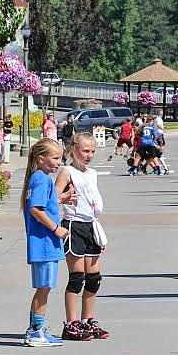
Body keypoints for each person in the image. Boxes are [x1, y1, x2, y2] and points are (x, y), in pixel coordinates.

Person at [20, 138, 76, 347]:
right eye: (55, 158)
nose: (59, 162)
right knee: (44, 288)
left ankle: (37, 329)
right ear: (41, 159)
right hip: (45, 242)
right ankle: (36, 331)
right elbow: (36, 209)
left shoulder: (38, 178)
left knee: (45, 287)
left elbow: (42, 203)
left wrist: (60, 199)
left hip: (44, 243)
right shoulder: (42, 179)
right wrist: (56, 228)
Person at [55, 133, 110, 342]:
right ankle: (71, 324)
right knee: (77, 278)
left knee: (94, 279)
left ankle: (88, 320)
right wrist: (65, 198)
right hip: (74, 225)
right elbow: (53, 197)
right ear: (74, 150)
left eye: (92, 152)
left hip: (91, 226)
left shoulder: (92, 173)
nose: (89, 156)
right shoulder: (66, 171)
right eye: (85, 151)